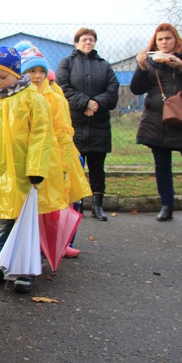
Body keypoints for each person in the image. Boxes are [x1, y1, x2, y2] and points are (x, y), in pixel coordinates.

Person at [0, 47, 63, 294]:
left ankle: (24, 269)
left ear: (16, 73)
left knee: (24, 222)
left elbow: (40, 136)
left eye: (2, 77)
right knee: (0, 222)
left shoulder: (32, 99)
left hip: (24, 175)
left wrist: (36, 169)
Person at [130, 23, 182, 224]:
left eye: (168, 38)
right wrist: (141, 68)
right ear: (155, 42)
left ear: (175, 39)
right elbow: (136, 89)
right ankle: (166, 205)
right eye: (160, 39)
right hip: (157, 121)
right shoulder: (150, 61)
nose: (164, 42)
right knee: (162, 165)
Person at [15, 41, 91, 257]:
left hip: (55, 159)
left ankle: (60, 242)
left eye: (40, 70)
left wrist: (65, 160)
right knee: (34, 205)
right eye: (31, 71)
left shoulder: (54, 96)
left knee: (59, 203)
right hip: (31, 159)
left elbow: (63, 130)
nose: (37, 76)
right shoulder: (18, 97)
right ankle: (35, 246)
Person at [56, 28, 119, 222]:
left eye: (91, 39)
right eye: (84, 39)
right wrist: (84, 103)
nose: (88, 43)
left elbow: (113, 90)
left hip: (99, 125)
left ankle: (98, 206)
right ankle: (77, 204)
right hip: (75, 123)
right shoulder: (67, 63)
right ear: (76, 43)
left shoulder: (104, 65)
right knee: (74, 167)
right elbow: (62, 87)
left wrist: (96, 103)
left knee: (97, 167)